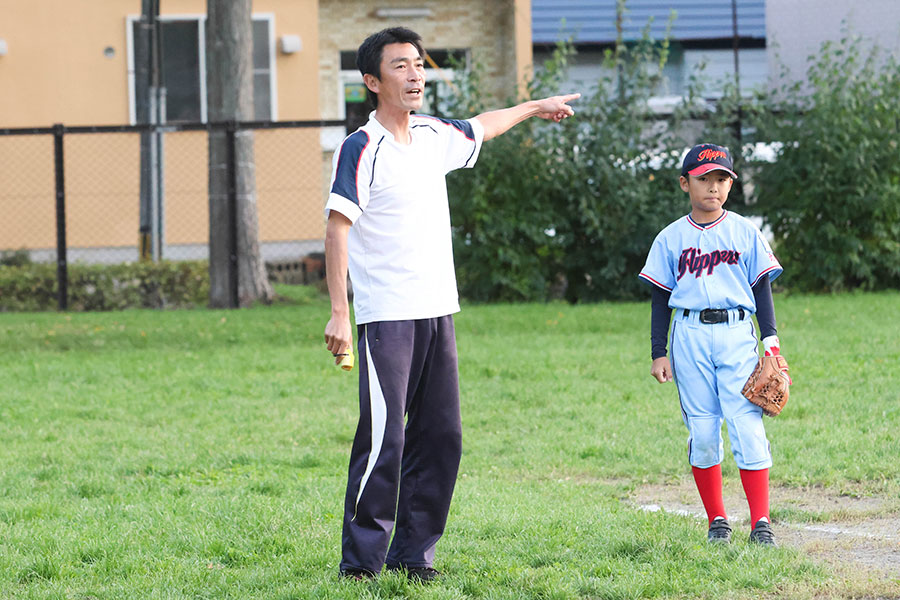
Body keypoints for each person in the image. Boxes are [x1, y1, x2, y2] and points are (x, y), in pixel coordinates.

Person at [323, 27, 579, 581]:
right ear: (372, 81)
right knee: (385, 437)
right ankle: (361, 566)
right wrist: (340, 312)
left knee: (441, 437)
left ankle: (413, 556)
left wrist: (535, 107)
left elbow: (481, 125)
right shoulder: (361, 147)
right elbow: (338, 226)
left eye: (419, 64)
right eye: (400, 66)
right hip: (386, 316)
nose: (416, 74)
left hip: (438, 310)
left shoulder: (434, 133)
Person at [638, 143, 786, 546]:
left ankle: (761, 523)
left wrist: (770, 340)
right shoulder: (670, 238)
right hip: (689, 335)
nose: (714, 187)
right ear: (686, 183)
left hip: (738, 333)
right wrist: (658, 351)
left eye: (722, 179)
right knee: (702, 431)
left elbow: (761, 287)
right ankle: (717, 519)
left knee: (747, 427)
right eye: (704, 179)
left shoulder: (744, 230)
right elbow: (660, 298)